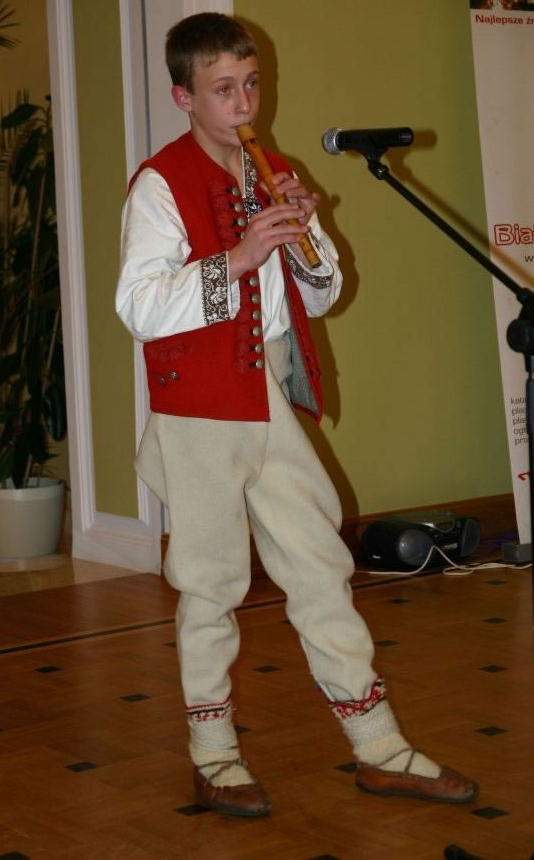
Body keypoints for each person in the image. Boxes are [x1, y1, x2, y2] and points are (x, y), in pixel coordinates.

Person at [115, 12, 477, 818]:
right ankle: (214, 756)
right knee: (210, 583)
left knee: (319, 564)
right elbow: (137, 306)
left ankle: (378, 746)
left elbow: (320, 295)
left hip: (268, 397)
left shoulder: (271, 170)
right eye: (222, 90)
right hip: (201, 407)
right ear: (183, 96)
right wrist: (240, 255)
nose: (243, 104)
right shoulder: (159, 183)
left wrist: (301, 239)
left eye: (250, 85)